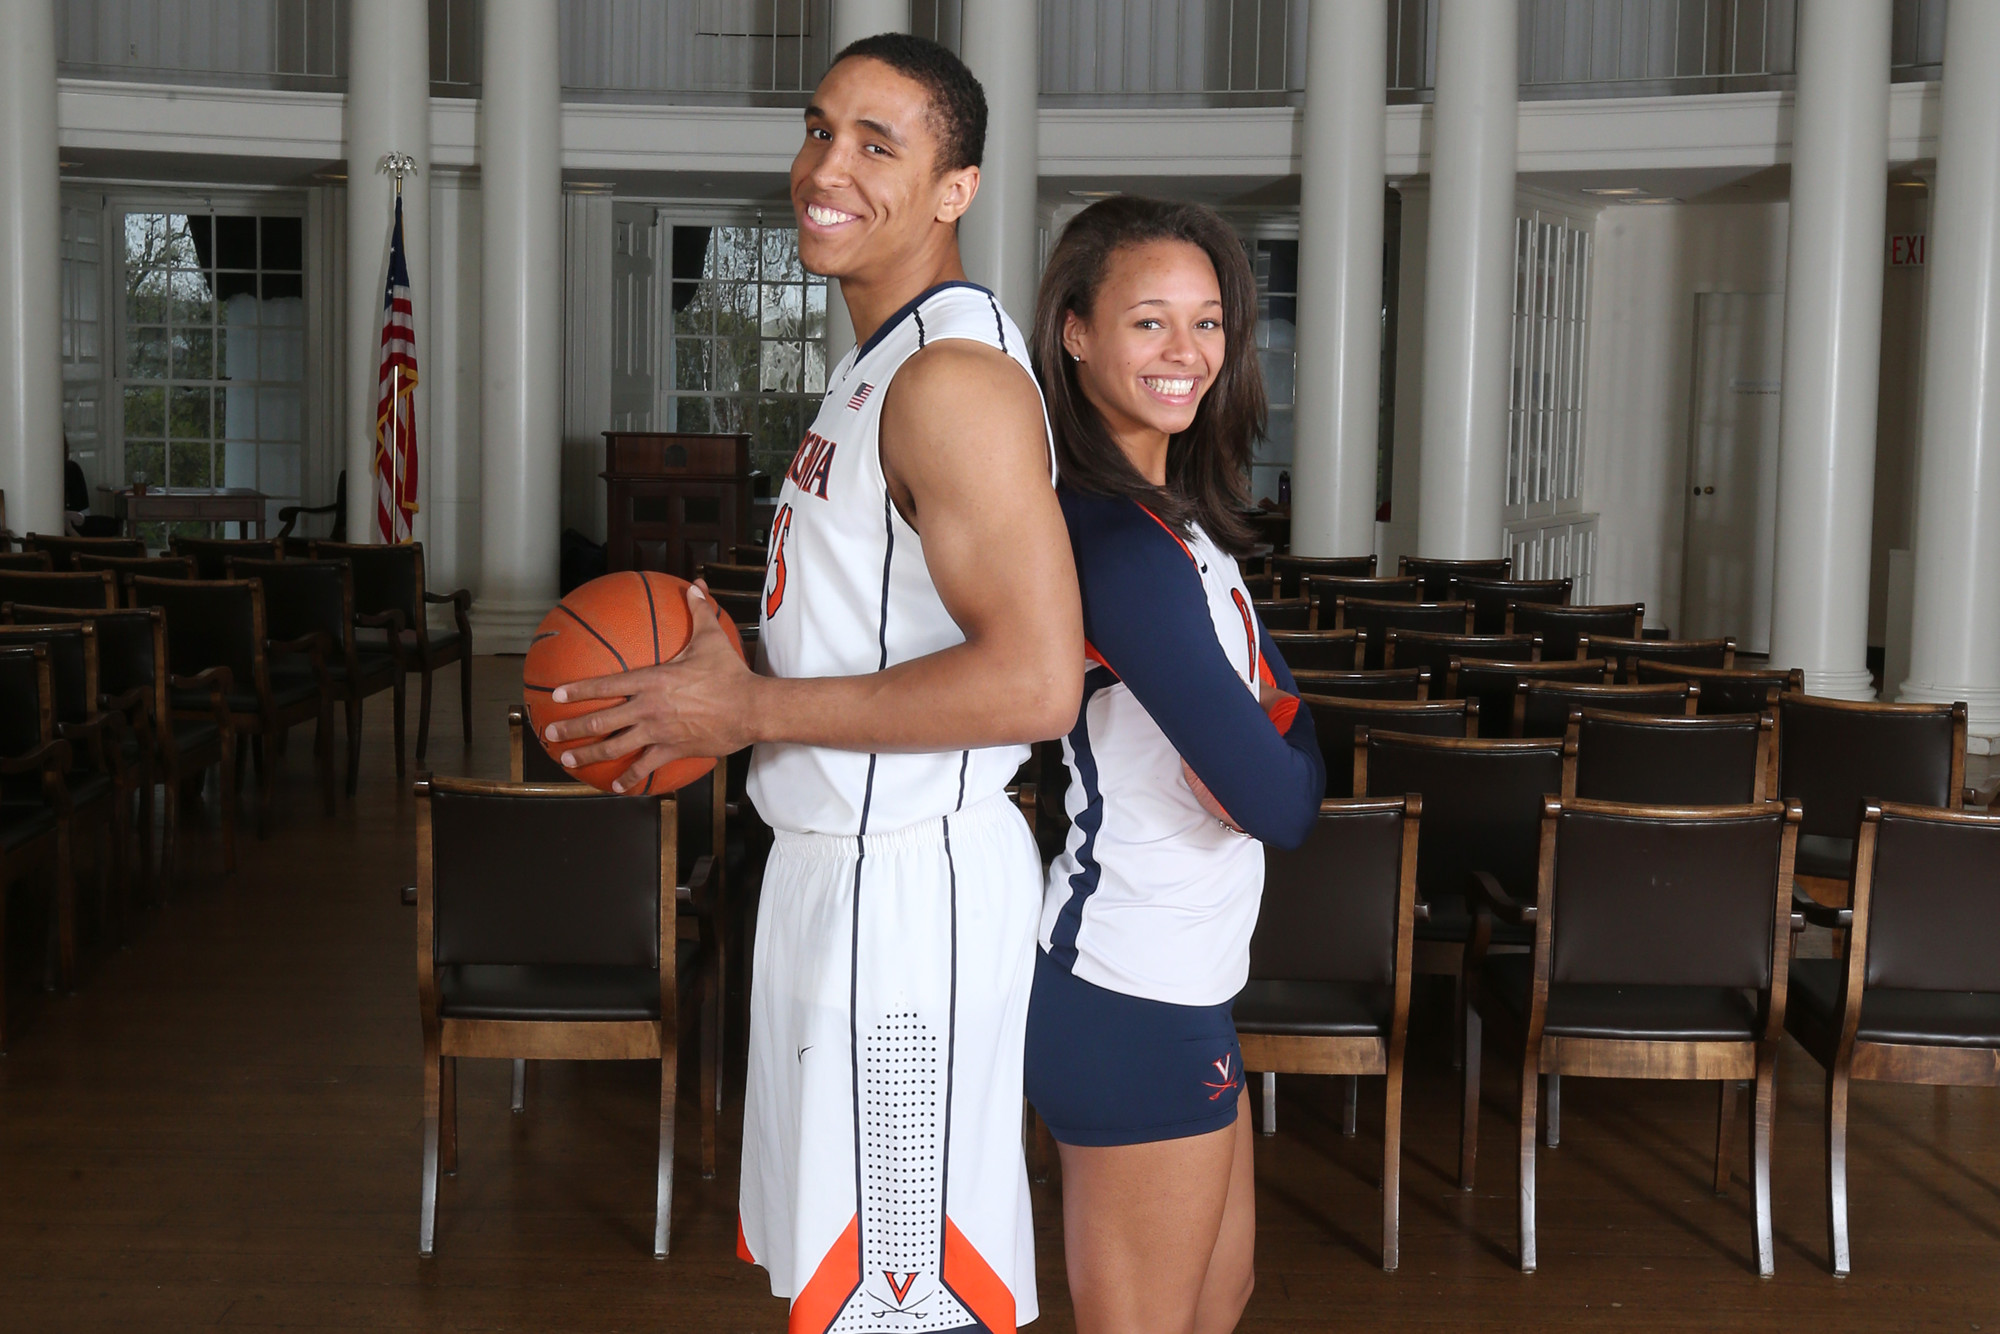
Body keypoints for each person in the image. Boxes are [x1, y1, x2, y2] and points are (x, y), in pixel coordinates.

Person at [543, 33, 1081, 1334]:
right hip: (829, 869)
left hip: (911, 891)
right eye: (818, 129)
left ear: (957, 189)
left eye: (877, 145)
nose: (824, 167)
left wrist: (752, 711)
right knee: (836, 1288)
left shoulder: (953, 380)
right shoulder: (875, 363)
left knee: (907, 1300)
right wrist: (730, 675)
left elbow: (1036, 680)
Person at [1022, 197, 1325, 1334]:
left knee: (1218, 1297)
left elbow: (1285, 735)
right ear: (1076, 332)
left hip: (1186, 973)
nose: (1185, 353)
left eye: (1204, 323)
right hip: (1127, 985)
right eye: (1149, 321)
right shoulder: (1113, 540)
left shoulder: (1176, 523)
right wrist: (1271, 748)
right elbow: (1279, 797)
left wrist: (1271, 742)